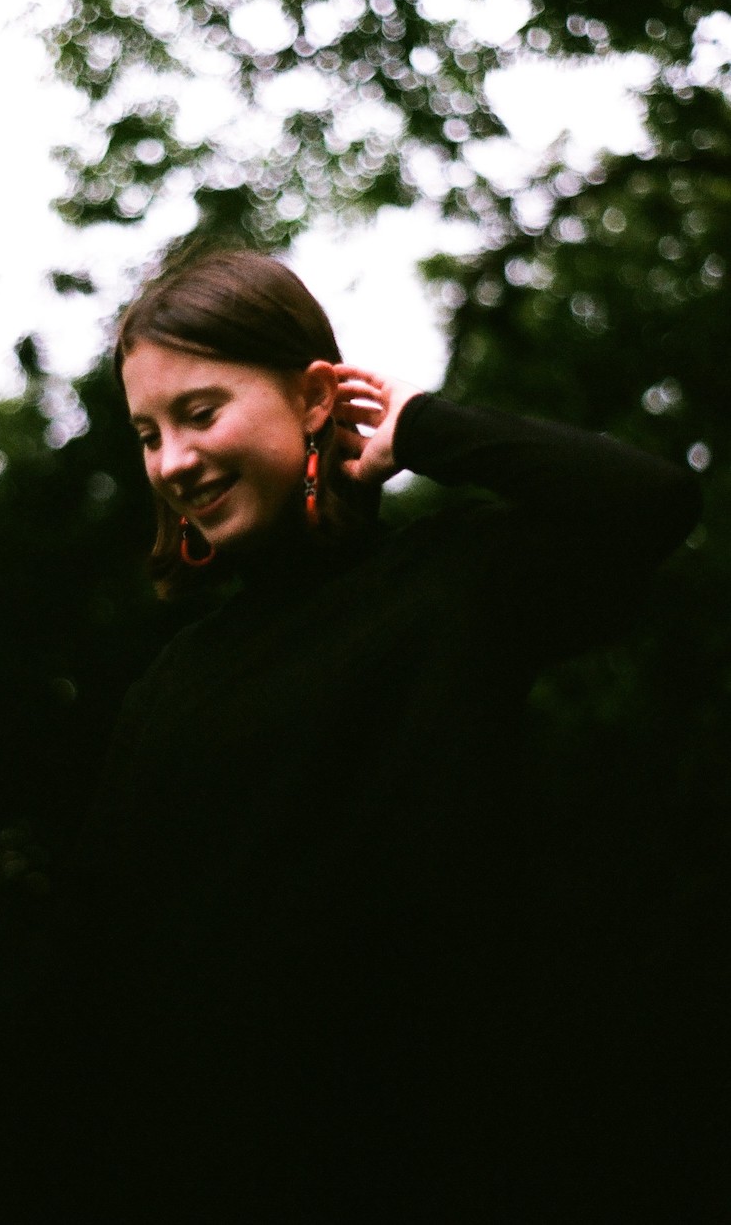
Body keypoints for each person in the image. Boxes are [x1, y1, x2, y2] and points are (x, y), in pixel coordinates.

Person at [45, 246, 701, 1221]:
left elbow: (648, 499)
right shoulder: (170, 689)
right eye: (148, 433)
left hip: (453, 1166)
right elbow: (102, 979)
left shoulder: (455, 584)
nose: (172, 461)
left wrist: (421, 426)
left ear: (316, 397)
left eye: (200, 411)